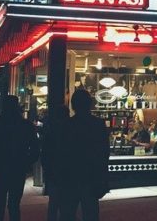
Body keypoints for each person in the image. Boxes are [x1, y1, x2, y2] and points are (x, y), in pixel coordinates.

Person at [0, 95, 40, 221]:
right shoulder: (26, 125)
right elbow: (35, 150)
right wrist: (26, 162)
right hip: (17, 168)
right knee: (14, 205)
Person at [54, 90, 109, 221]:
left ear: (73, 105)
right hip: (91, 175)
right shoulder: (98, 124)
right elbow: (103, 153)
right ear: (90, 104)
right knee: (91, 213)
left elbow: (61, 153)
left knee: (68, 213)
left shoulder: (67, 125)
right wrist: (102, 177)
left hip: (70, 176)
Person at [41, 105, 70, 221]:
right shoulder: (71, 130)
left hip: (54, 171)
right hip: (68, 172)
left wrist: (47, 170)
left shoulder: (51, 131)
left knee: (53, 203)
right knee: (67, 203)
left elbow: (45, 153)